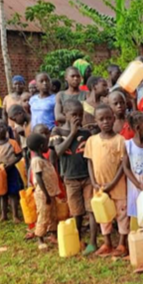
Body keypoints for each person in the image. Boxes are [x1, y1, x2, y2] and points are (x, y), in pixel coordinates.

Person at [51, 100, 98, 256]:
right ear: (65, 115)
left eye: (80, 115)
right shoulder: (57, 131)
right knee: (76, 211)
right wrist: (72, 133)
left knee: (91, 210)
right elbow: (58, 152)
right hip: (70, 178)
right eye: (73, 115)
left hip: (87, 177)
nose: (77, 118)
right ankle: (77, 239)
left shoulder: (85, 133)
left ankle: (92, 242)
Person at [84, 104, 130, 257]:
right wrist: (94, 182)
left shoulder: (120, 140)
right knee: (103, 215)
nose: (106, 122)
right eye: (101, 119)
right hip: (99, 186)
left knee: (121, 214)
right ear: (96, 121)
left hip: (117, 186)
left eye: (109, 118)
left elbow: (123, 165)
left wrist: (113, 183)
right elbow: (89, 162)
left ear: (114, 118)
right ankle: (107, 242)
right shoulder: (91, 140)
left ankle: (122, 244)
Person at [0, 119, 23, 221]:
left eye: (0, 127)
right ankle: (4, 215)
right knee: (2, 193)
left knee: (13, 193)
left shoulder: (12, 142)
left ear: (6, 129)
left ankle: (15, 215)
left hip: (11, 170)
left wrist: (11, 164)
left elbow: (19, 155)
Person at [123, 111, 143, 230]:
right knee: (139, 215)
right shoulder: (128, 145)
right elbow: (126, 167)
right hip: (135, 187)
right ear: (138, 128)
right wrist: (138, 185)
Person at [27, 133, 60, 250]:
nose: (48, 146)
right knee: (44, 215)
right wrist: (46, 194)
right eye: (46, 144)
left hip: (50, 192)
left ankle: (53, 235)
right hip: (43, 194)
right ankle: (40, 238)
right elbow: (39, 178)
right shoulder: (36, 160)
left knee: (52, 214)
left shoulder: (43, 158)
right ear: (41, 146)